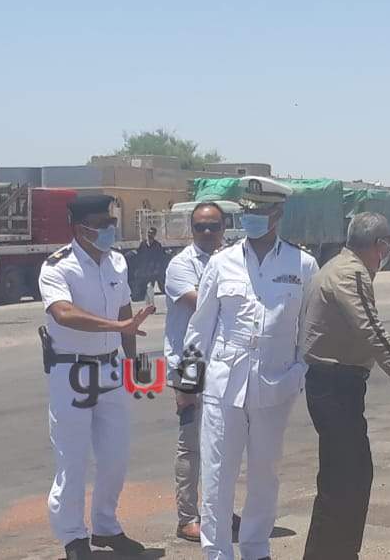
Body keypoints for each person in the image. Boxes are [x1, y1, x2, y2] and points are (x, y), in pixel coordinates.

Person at [299, 212, 390, 560]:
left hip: (331, 385)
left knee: (341, 481)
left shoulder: (336, 267)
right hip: (336, 388)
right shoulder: (351, 274)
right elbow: (374, 333)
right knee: (348, 481)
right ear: (380, 246)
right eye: (386, 248)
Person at [184, 176, 319, 560]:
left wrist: (299, 373)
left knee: (265, 473)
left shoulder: (302, 264)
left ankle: (257, 548)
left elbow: (309, 328)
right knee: (217, 475)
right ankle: (217, 553)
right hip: (223, 384)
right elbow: (200, 326)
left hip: (275, 383)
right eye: (248, 211)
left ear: (278, 213)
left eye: (261, 211)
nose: (252, 218)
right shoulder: (221, 262)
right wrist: (187, 384)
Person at [37, 195, 156, 560]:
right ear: (80, 228)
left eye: (111, 222)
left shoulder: (117, 261)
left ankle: (106, 526)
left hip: (111, 369)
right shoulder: (57, 266)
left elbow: (126, 314)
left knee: (115, 456)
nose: (109, 229)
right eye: (101, 224)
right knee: (72, 459)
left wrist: (134, 362)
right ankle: (74, 536)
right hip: (71, 370)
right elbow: (63, 313)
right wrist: (117, 326)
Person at [163, 201, 226, 542]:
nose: (207, 232)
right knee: (191, 443)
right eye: (200, 226)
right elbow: (203, 305)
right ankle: (187, 517)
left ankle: (218, 509)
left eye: (213, 226)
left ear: (223, 228)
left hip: (223, 360)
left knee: (222, 440)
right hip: (190, 361)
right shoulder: (181, 265)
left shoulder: (231, 260)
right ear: (192, 229)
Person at [137, 226, 167, 295]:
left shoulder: (157, 245)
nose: (150, 234)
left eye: (152, 233)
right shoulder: (143, 244)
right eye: (149, 232)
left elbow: (160, 257)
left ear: (154, 235)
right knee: (143, 287)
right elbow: (139, 255)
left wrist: (157, 269)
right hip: (144, 269)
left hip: (154, 269)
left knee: (152, 284)